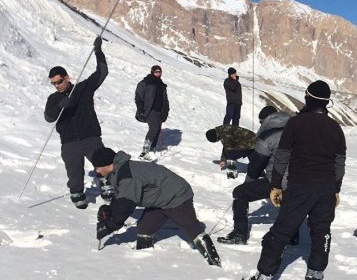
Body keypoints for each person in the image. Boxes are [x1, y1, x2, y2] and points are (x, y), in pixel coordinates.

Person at [241, 80, 347, 280]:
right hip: (325, 187)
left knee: (281, 231)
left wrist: (276, 185)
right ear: (326, 102)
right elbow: (339, 163)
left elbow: (282, 157)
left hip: (300, 186)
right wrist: (336, 189)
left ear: (308, 97)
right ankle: (315, 276)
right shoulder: (335, 128)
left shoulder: (296, 123)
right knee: (322, 231)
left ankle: (264, 276)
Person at [91, 147, 221, 267]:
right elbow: (121, 196)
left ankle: (214, 263)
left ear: (108, 165)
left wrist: (109, 226)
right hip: (158, 200)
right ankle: (147, 265)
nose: (96, 171)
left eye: (97, 167)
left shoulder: (126, 175)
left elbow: (126, 204)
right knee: (144, 229)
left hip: (176, 196)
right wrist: (109, 211)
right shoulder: (118, 171)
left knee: (190, 227)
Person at [44, 36, 108, 209]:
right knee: (74, 171)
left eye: (59, 81)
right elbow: (49, 117)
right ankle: (77, 193)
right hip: (69, 140)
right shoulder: (53, 98)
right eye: (53, 83)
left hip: (90, 136)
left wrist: (98, 51)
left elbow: (102, 73)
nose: (57, 86)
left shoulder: (82, 89)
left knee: (103, 163)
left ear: (67, 77)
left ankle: (108, 188)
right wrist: (60, 106)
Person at [217, 106, 295, 245]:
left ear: (266, 121)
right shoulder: (296, 130)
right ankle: (292, 236)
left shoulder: (267, 137)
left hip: (277, 179)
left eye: (261, 122)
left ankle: (240, 234)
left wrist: (247, 186)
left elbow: (255, 168)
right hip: (299, 180)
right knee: (287, 200)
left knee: (240, 192)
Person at [135, 65, 170, 160]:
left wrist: (165, 112)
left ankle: (151, 150)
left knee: (158, 130)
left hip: (160, 111)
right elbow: (138, 97)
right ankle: (144, 151)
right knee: (153, 129)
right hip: (150, 110)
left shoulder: (162, 85)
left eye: (159, 72)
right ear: (152, 72)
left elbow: (165, 100)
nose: (158, 73)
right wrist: (141, 110)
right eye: (156, 72)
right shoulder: (145, 82)